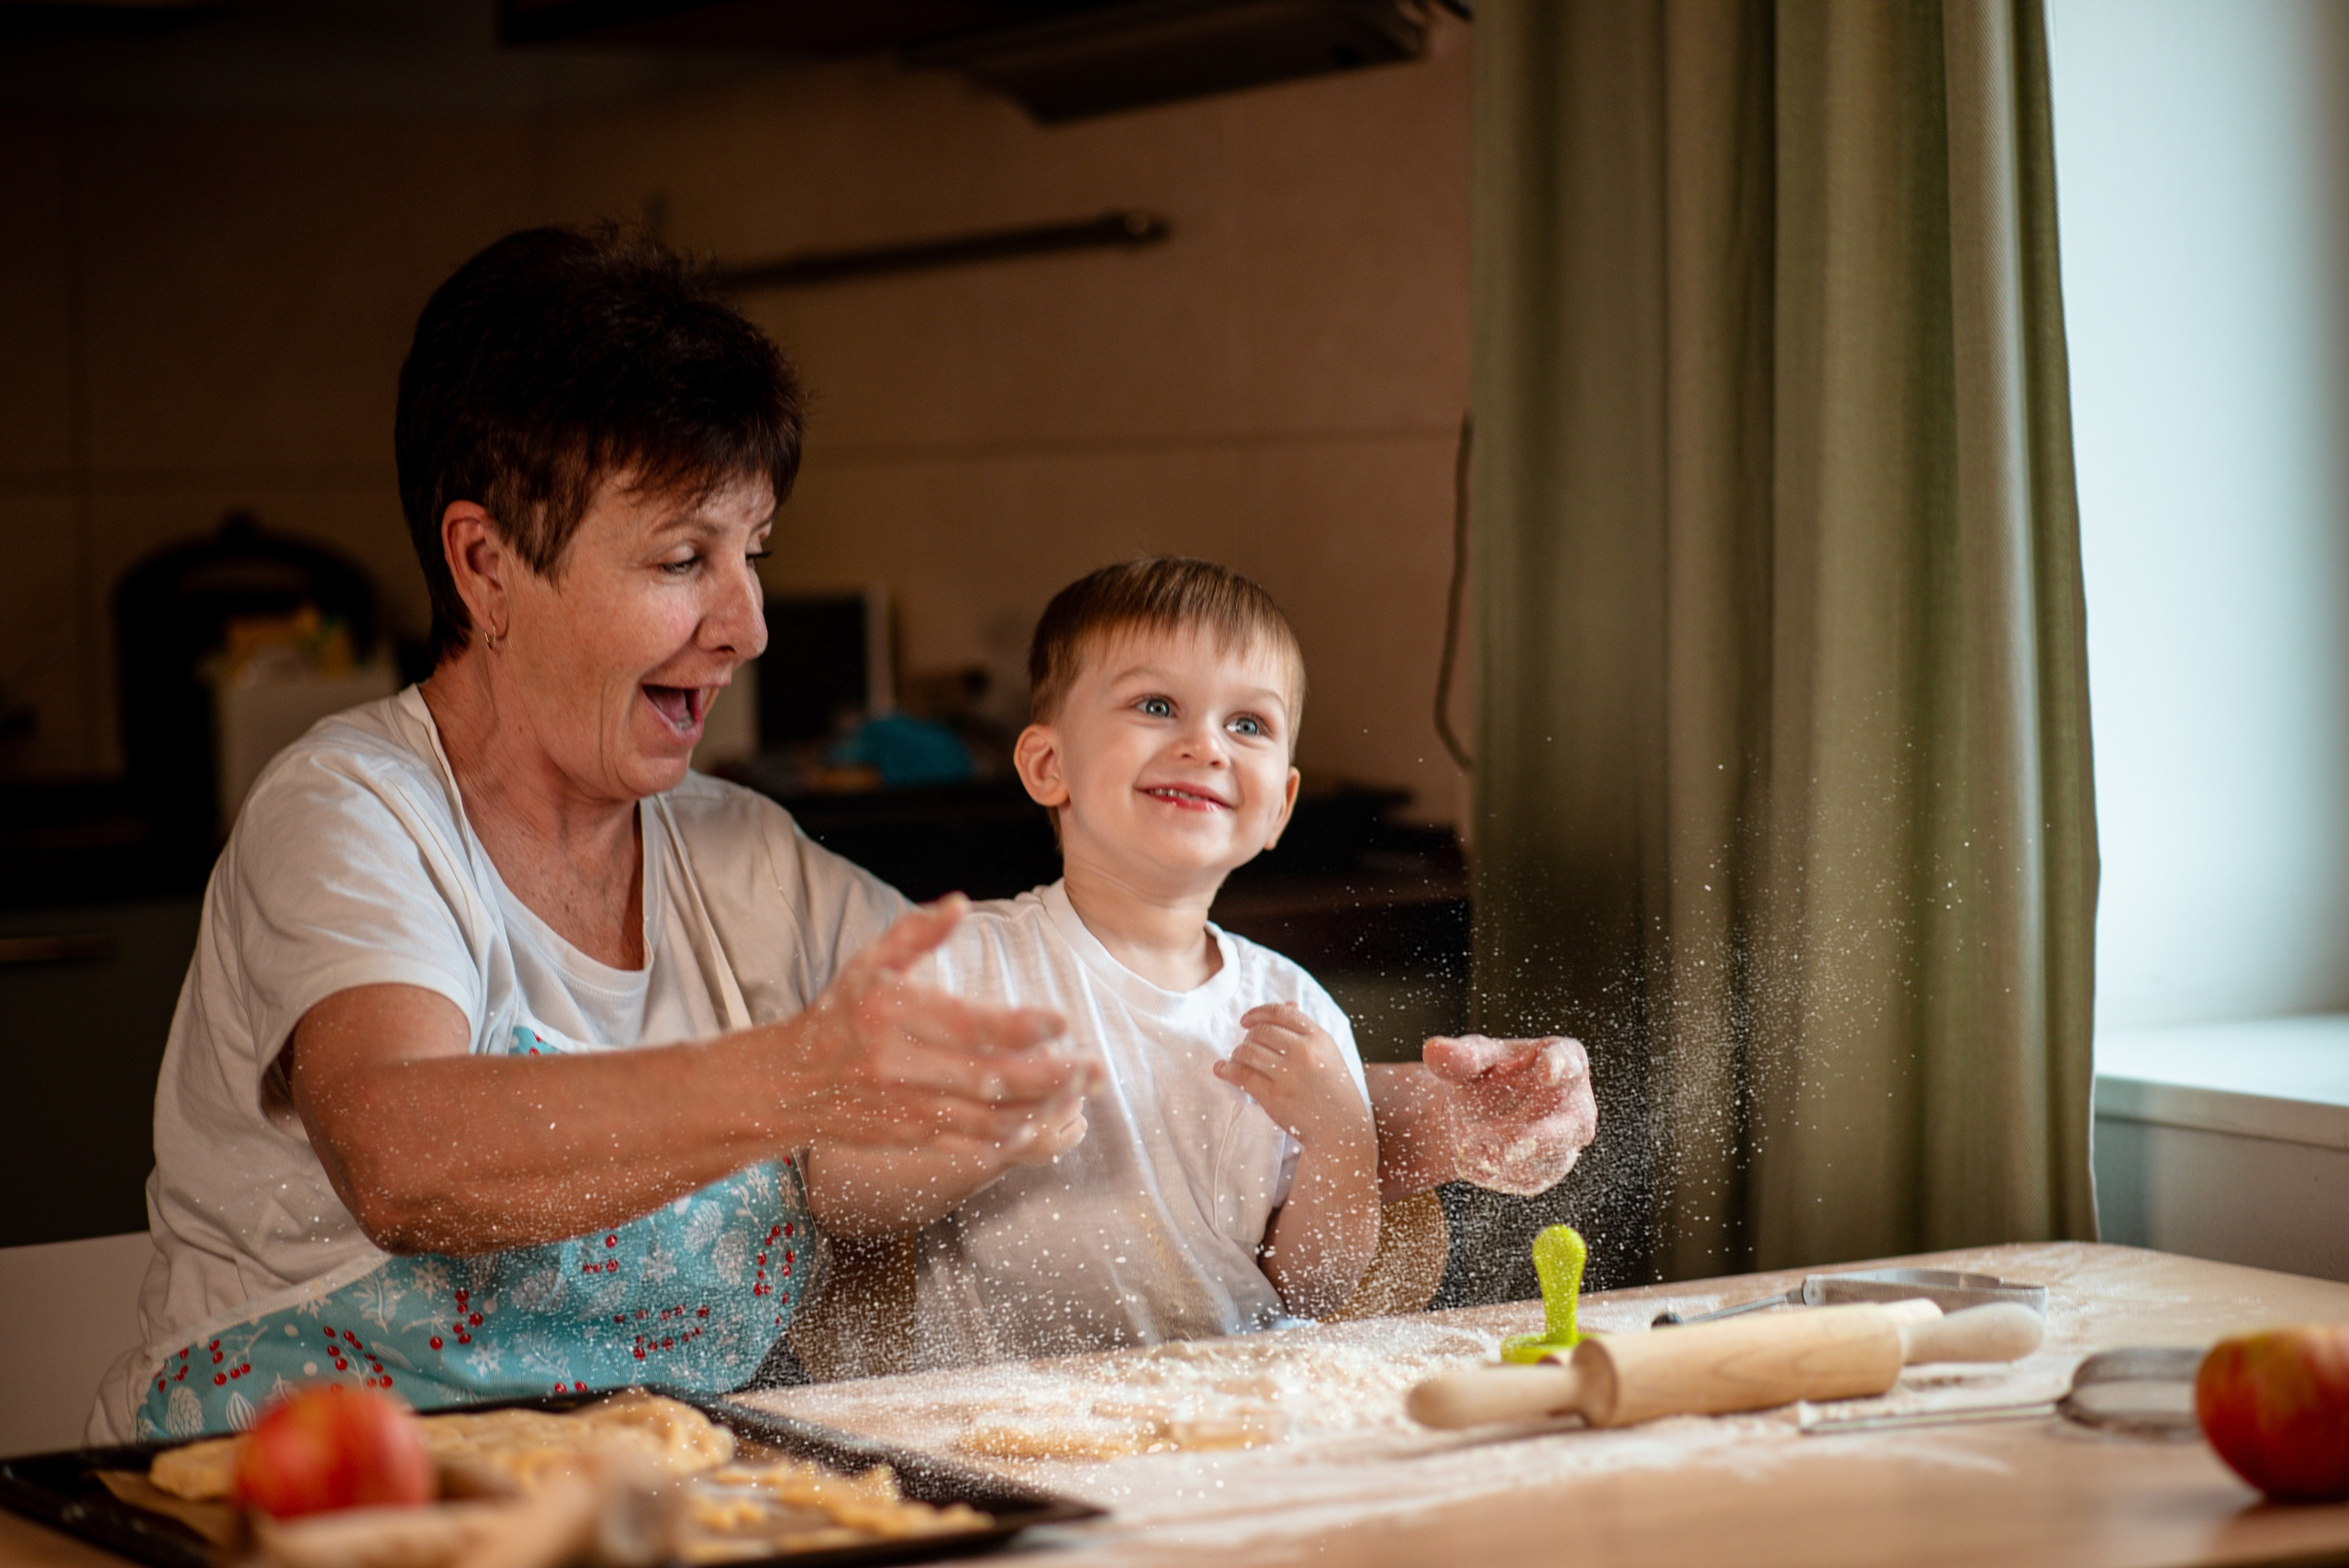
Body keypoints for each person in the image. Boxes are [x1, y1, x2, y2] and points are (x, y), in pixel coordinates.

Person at [88, 226, 1599, 1444]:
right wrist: (793, 1076)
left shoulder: (745, 857)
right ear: (485, 562)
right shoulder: (353, 812)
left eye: (751, 553)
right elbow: (406, 1153)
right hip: (292, 1500)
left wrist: (1420, 1112)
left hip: (666, 1491)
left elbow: (1089, 1052)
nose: (743, 623)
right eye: (685, 558)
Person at [808, 561, 1376, 1365]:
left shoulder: (1297, 1010)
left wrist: (1344, 1139)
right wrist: (983, 1142)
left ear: (1280, 806)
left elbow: (1310, 1292)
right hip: (1006, 1433)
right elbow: (836, 1191)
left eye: (1248, 723)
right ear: (1049, 766)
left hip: (1234, 1416)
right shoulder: (966, 968)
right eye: (1156, 706)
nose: (1205, 745)